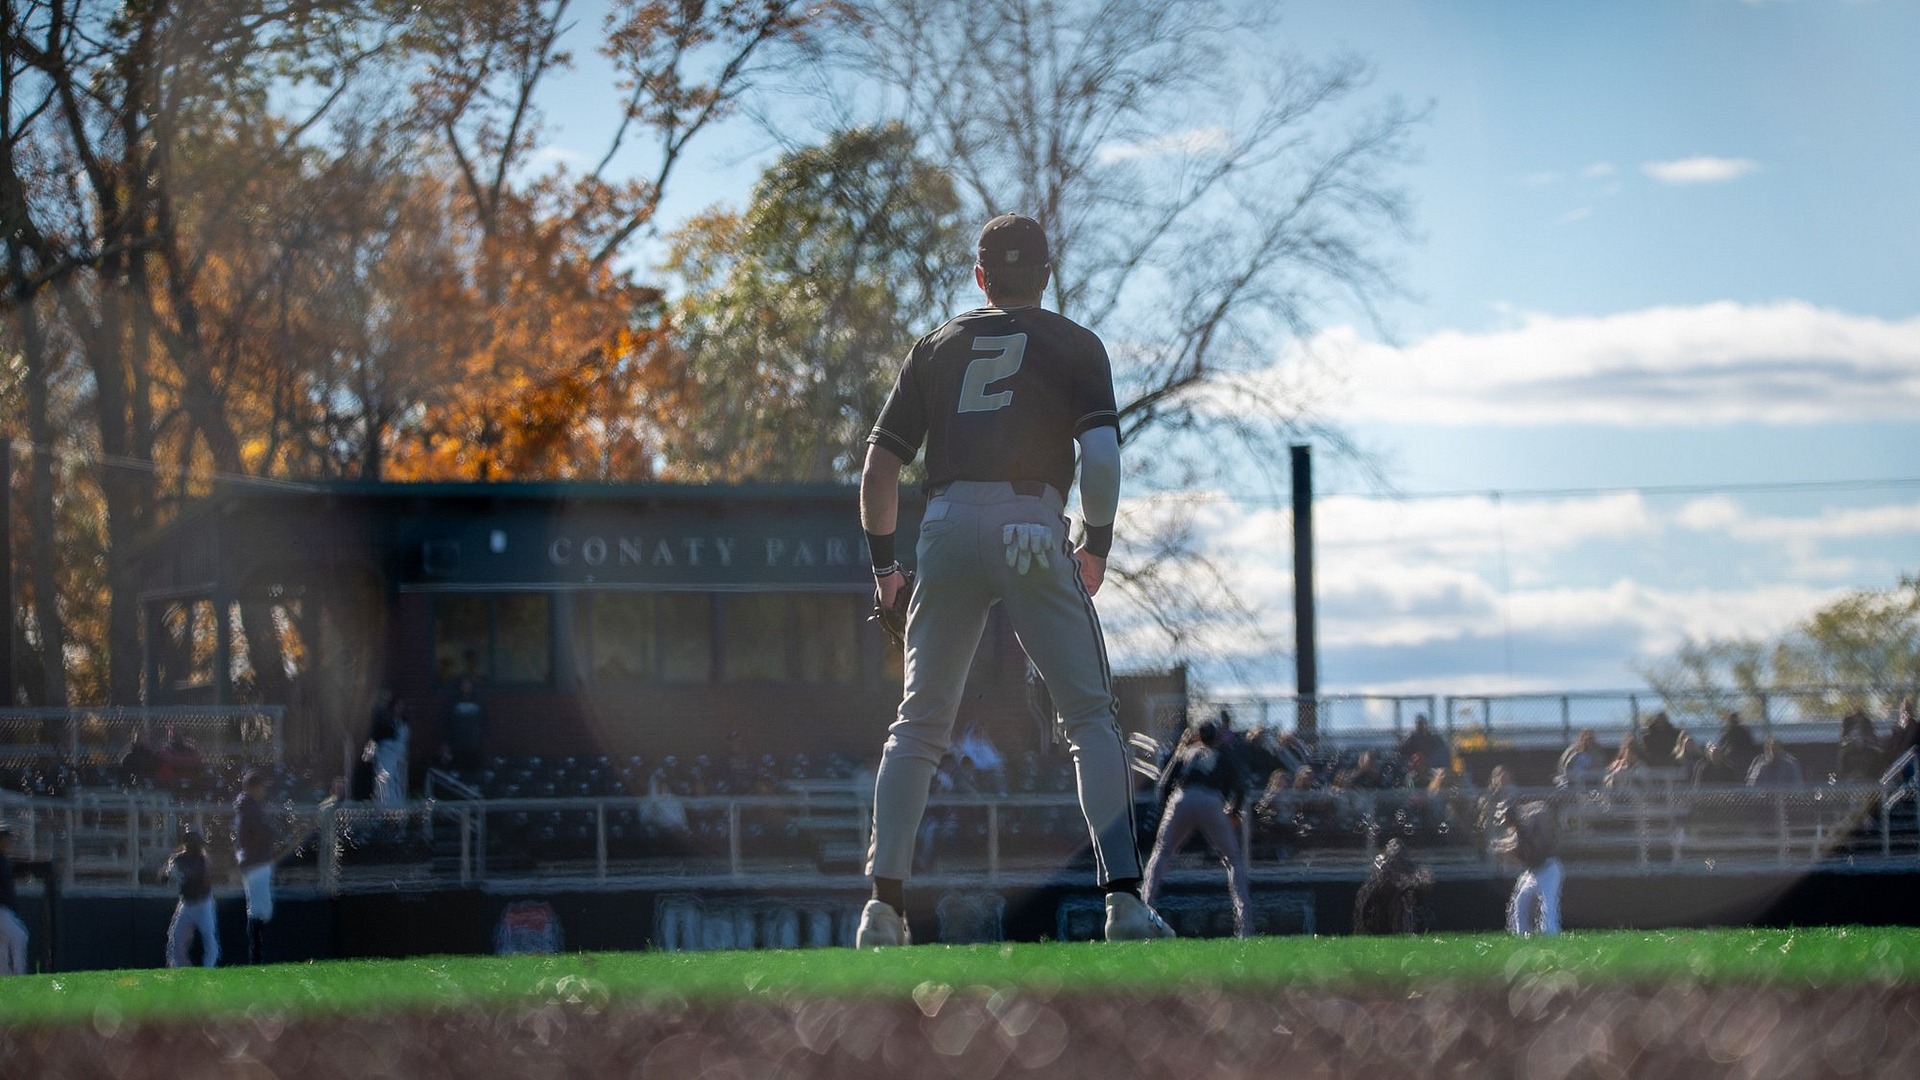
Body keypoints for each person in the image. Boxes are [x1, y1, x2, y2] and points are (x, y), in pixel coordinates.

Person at [856, 213, 1167, 946]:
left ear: (980, 277)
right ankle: (1124, 902)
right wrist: (1097, 541)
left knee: (919, 723)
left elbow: (878, 471)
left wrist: (884, 571)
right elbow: (1104, 458)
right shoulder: (1074, 342)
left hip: (945, 524)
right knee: (1091, 717)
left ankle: (883, 907)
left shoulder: (935, 346)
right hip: (1031, 520)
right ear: (1048, 276)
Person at [1141, 718, 1253, 937]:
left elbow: (1163, 785)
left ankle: (1144, 913)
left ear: (1198, 735)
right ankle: (1245, 927)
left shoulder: (1185, 752)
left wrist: (1169, 811)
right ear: (1217, 737)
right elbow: (1241, 787)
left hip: (1181, 798)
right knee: (1234, 861)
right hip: (1211, 799)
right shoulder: (1223, 754)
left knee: (1161, 854)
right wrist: (1234, 812)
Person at [1495, 800, 1562, 937]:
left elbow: (1519, 847)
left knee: (1548, 906)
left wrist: (1502, 848)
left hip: (1549, 869)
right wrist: (1501, 846)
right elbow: (1516, 841)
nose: (1511, 827)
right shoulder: (1522, 827)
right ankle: (1523, 935)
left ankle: (1552, 936)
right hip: (1533, 873)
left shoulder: (1527, 827)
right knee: (1521, 902)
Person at [232, 768, 278, 963]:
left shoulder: (249, 806)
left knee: (261, 909)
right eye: (260, 787)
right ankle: (256, 956)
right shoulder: (249, 808)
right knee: (259, 910)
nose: (263, 790)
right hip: (255, 861)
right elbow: (255, 836)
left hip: (254, 861)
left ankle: (256, 955)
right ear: (252, 787)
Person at [1352, 838, 1432, 935]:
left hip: (1398, 897)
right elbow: (1380, 876)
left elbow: (1420, 879)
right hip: (1382, 897)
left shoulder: (1407, 866)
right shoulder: (1381, 862)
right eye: (1392, 845)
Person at [164, 829, 218, 968]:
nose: (199, 846)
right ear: (187, 844)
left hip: (203, 903)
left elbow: (206, 881)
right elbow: (163, 878)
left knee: (209, 938)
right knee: (176, 939)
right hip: (186, 905)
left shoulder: (203, 859)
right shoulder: (178, 859)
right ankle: (180, 969)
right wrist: (170, 875)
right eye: (196, 843)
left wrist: (188, 877)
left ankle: (209, 969)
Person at [439, 677, 488, 772]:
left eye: (468, 684)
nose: (466, 687)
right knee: (458, 771)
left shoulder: (478, 702)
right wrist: (445, 742)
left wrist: (482, 738)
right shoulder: (451, 703)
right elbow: (443, 723)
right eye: (463, 684)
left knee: (474, 771)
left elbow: (484, 721)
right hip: (456, 746)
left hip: (475, 745)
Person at [372, 695, 411, 808]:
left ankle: (398, 810)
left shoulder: (403, 724)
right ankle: (384, 810)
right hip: (387, 757)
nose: (399, 709)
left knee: (398, 785)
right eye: (397, 706)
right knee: (386, 784)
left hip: (399, 758)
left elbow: (404, 742)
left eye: (401, 706)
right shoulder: (386, 723)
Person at [0, 824, 29, 975]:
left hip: (5, 909)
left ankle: (6, 979)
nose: (8, 842)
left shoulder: (5, 860)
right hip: (1, 909)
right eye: (5, 838)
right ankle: (18, 975)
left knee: (3, 945)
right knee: (19, 936)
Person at [1396, 714, 1451, 779]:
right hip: (1416, 764)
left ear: (1426, 725)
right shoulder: (1412, 738)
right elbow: (1402, 751)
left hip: (1430, 763)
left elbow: (1443, 750)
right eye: (1419, 724)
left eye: (1422, 724)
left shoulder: (1433, 738)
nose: (1421, 726)